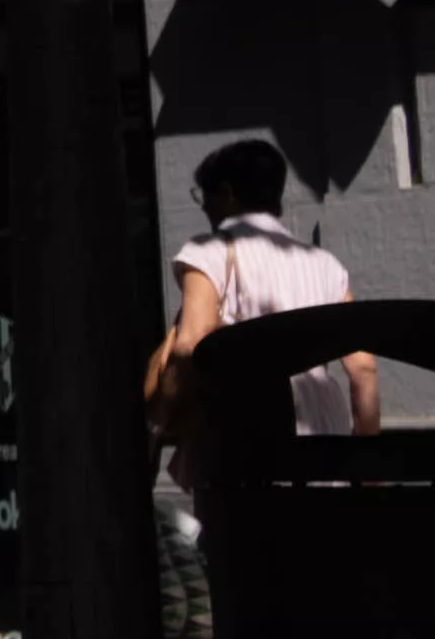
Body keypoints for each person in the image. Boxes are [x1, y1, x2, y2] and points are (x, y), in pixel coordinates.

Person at [160, 135, 375, 440]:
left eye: (204, 196)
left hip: (251, 436)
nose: (204, 207)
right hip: (326, 432)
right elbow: (363, 368)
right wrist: (370, 461)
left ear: (227, 193)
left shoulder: (209, 251)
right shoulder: (326, 264)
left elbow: (189, 345)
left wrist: (163, 417)